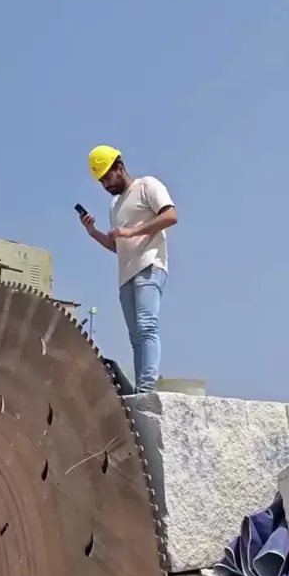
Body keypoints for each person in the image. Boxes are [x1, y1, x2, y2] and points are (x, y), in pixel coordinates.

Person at [79, 145, 177, 393]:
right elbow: (117, 247)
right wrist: (92, 232)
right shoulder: (115, 206)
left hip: (149, 265)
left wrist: (132, 231)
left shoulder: (147, 186)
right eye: (102, 181)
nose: (106, 185)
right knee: (135, 336)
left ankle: (146, 388)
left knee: (147, 325)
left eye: (108, 177)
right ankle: (140, 389)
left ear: (120, 167)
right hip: (125, 275)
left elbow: (170, 216)